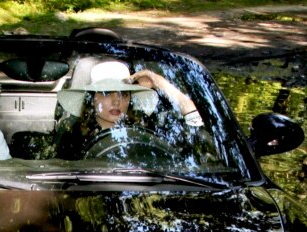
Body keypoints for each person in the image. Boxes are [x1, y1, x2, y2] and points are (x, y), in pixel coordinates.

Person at [54, 60, 203, 160]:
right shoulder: (74, 136)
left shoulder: (146, 129)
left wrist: (159, 82)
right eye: (107, 93)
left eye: (124, 94)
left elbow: (195, 123)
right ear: (93, 98)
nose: (116, 101)